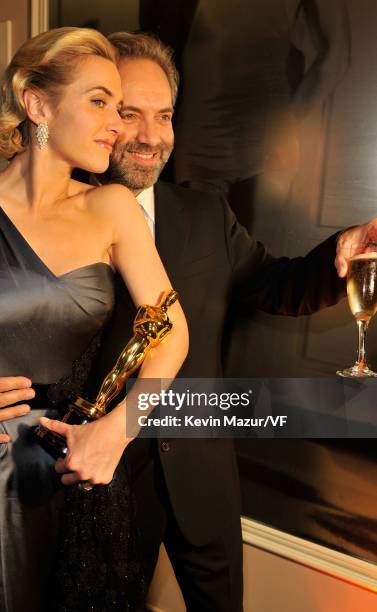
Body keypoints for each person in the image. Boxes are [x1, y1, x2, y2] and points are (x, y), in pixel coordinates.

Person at [44, 32, 377, 612]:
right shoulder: (49, 222)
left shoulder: (202, 212)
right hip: (103, 482)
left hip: (203, 472)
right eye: (128, 113)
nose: (151, 136)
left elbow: (278, 286)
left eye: (165, 116)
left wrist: (341, 250)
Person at [0, 27, 188, 612]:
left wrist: (118, 430)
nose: (119, 123)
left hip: (72, 475)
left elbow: (172, 332)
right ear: (38, 104)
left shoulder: (112, 210)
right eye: (100, 102)